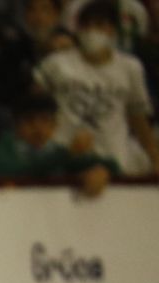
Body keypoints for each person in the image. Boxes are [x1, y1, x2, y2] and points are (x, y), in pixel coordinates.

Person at [35, 0, 159, 175]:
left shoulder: (130, 67)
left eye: (100, 25)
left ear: (113, 30)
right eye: (86, 26)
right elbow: (36, 107)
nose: (92, 31)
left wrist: (154, 157)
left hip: (114, 159)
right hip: (66, 157)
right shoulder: (56, 64)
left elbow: (137, 117)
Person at [0, 90, 116, 194]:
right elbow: (17, 173)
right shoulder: (3, 148)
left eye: (45, 120)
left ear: (55, 125)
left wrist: (102, 170)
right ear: (16, 125)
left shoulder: (57, 151)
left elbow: (111, 165)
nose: (38, 127)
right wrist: (67, 154)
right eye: (29, 120)